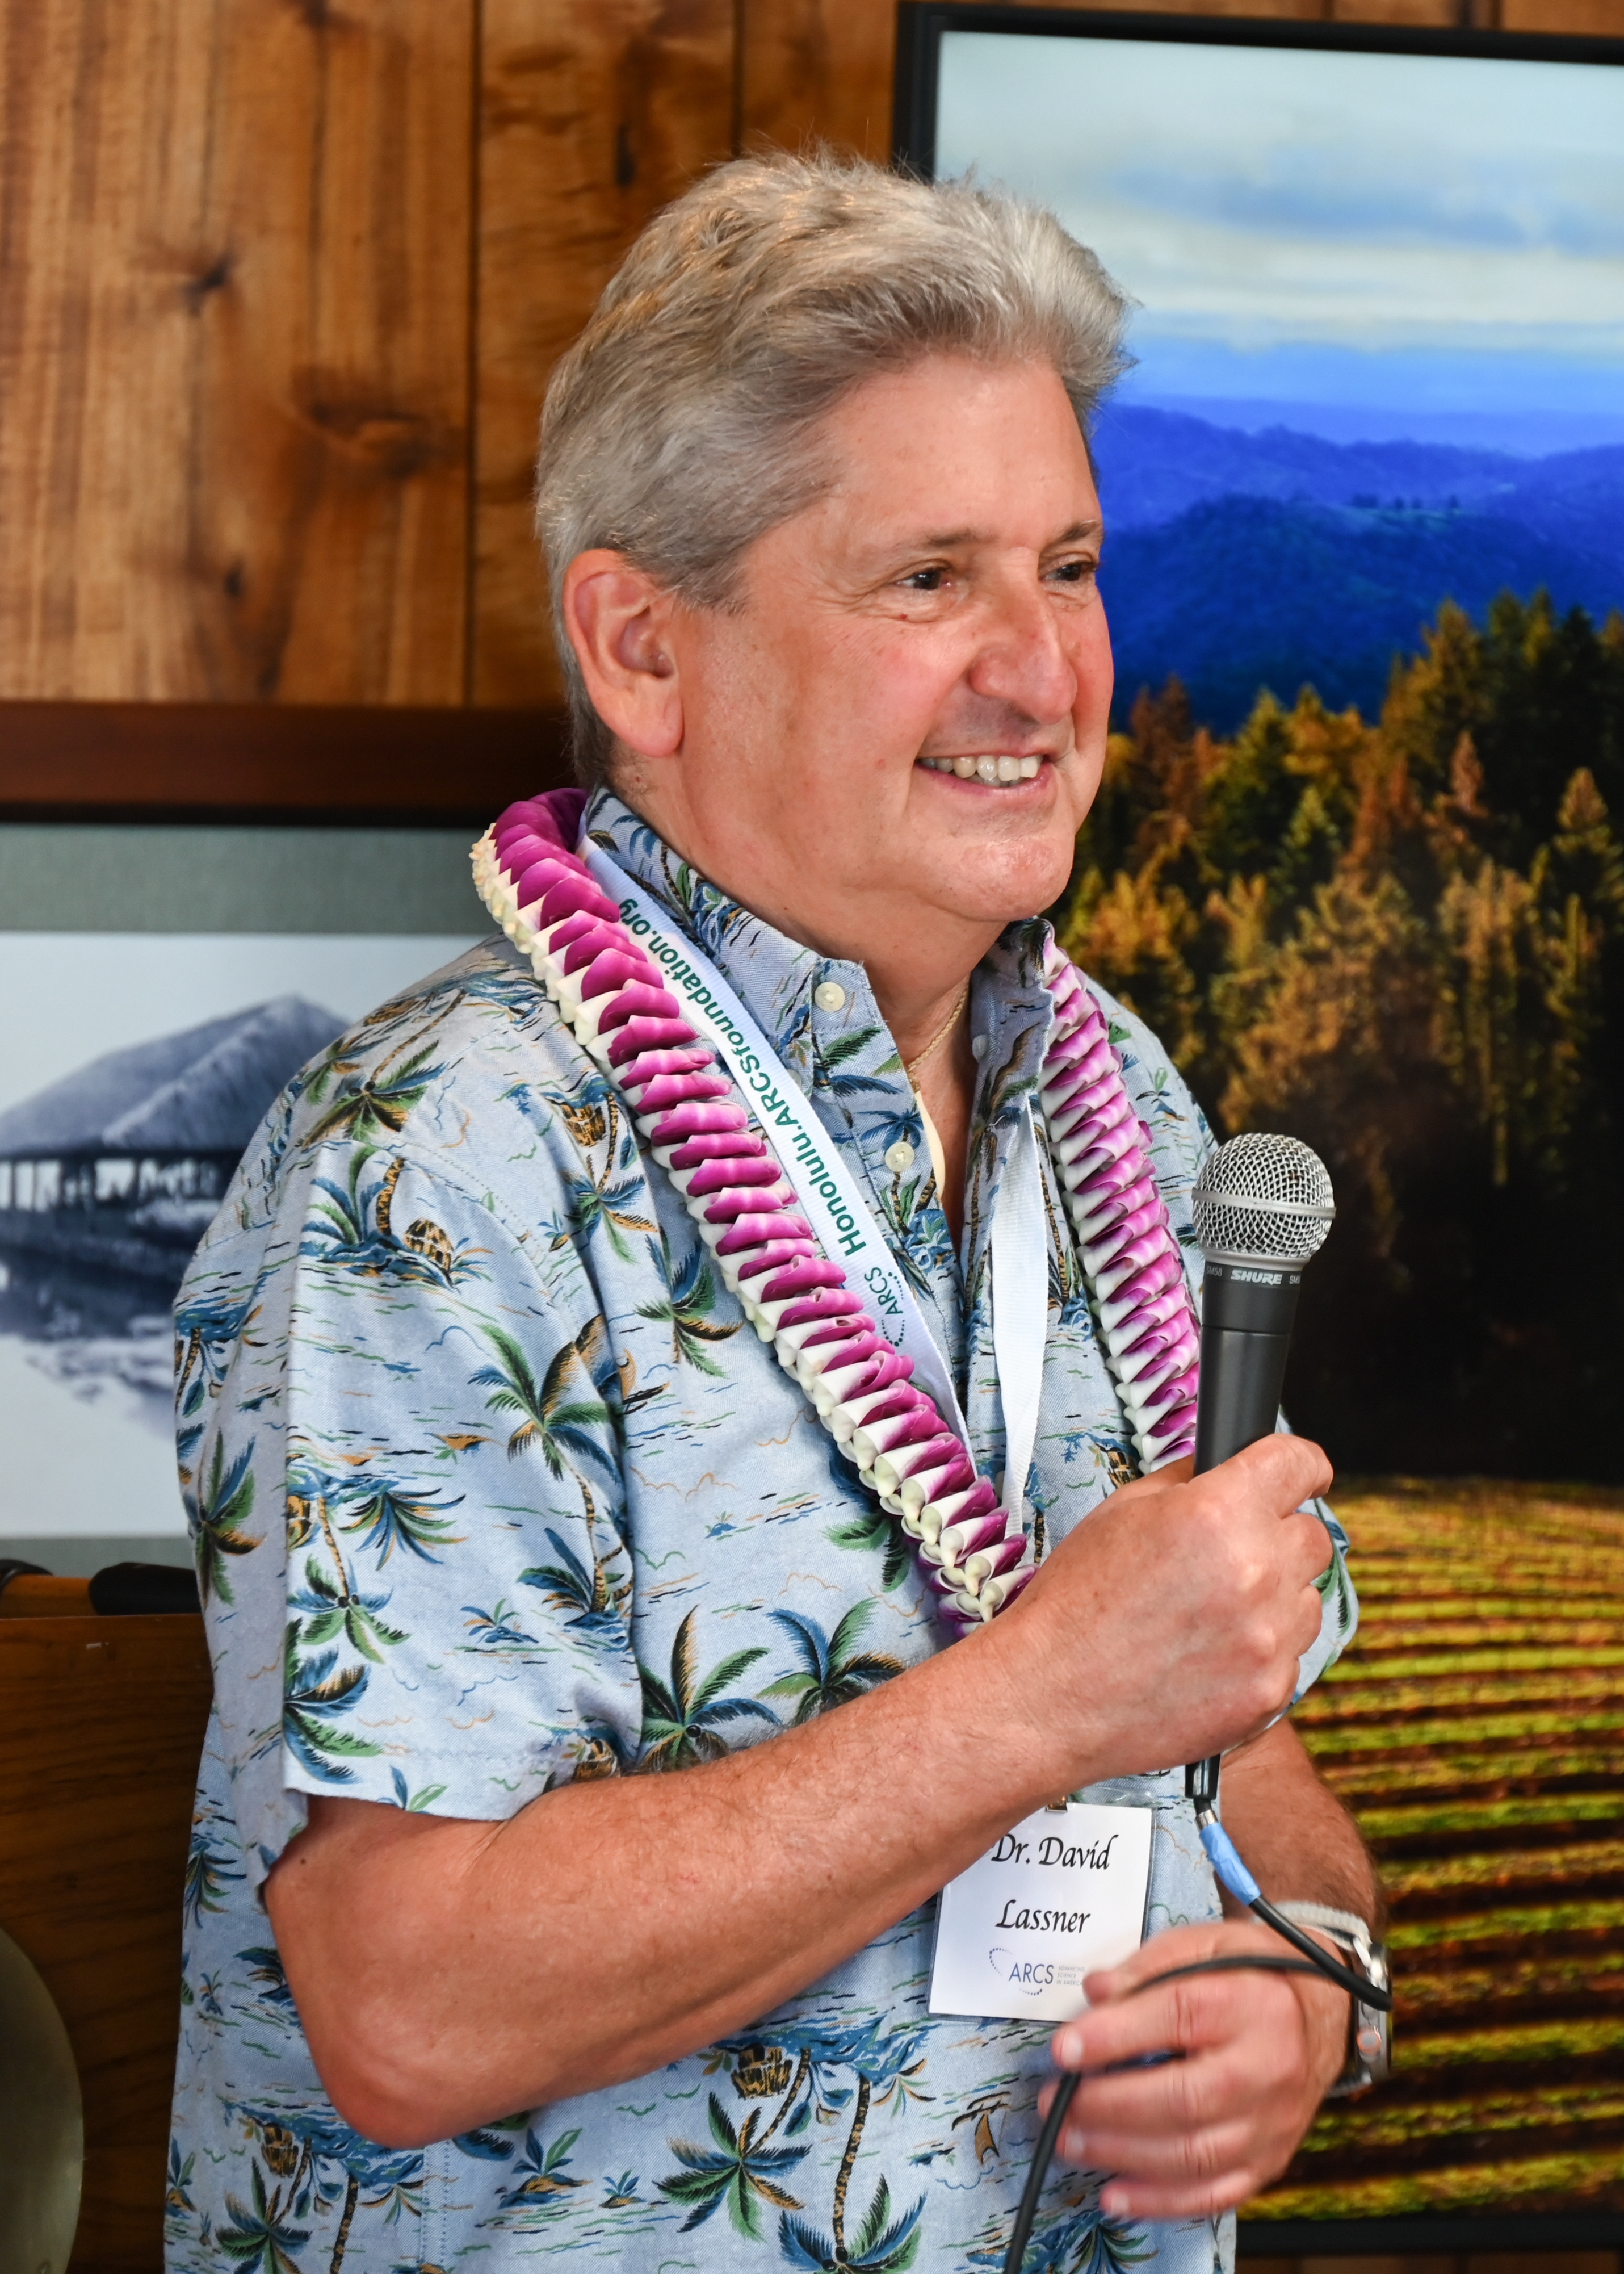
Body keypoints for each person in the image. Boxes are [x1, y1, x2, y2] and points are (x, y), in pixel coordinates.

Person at [167, 153, 1378, 2274]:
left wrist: (1317, 1982)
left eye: (1069, 564)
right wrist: (1031, 1705)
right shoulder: (438, 1156)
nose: (1044, 669)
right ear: (646, 648)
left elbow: (1220, 1746)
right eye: (930, 581)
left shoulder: (1127, 1102)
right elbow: (407, 2000)